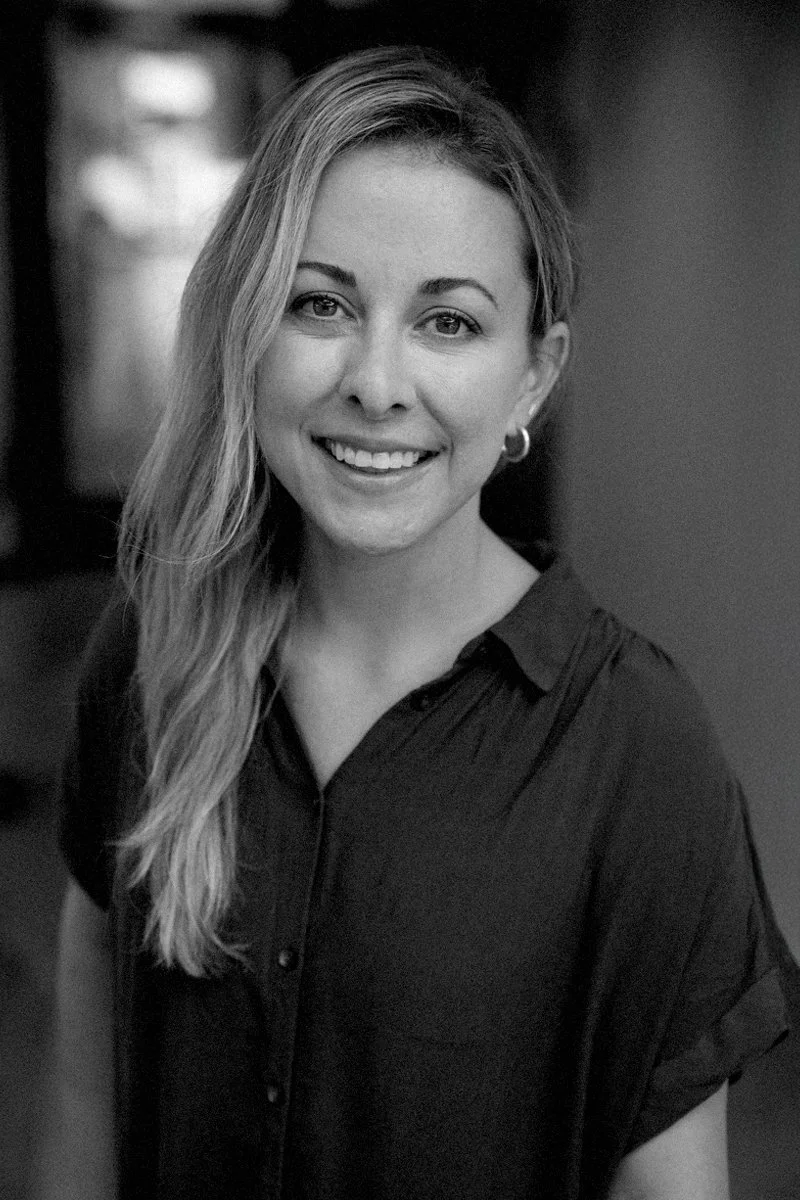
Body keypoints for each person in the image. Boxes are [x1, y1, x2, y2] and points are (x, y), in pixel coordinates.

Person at [46, 45, 790, 1200]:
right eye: (321, 303)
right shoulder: (150, 649)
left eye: (447, 323)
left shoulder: (636, 751)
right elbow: (93, 1049)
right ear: (247, 329)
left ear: (531, 379)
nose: (377, 382)